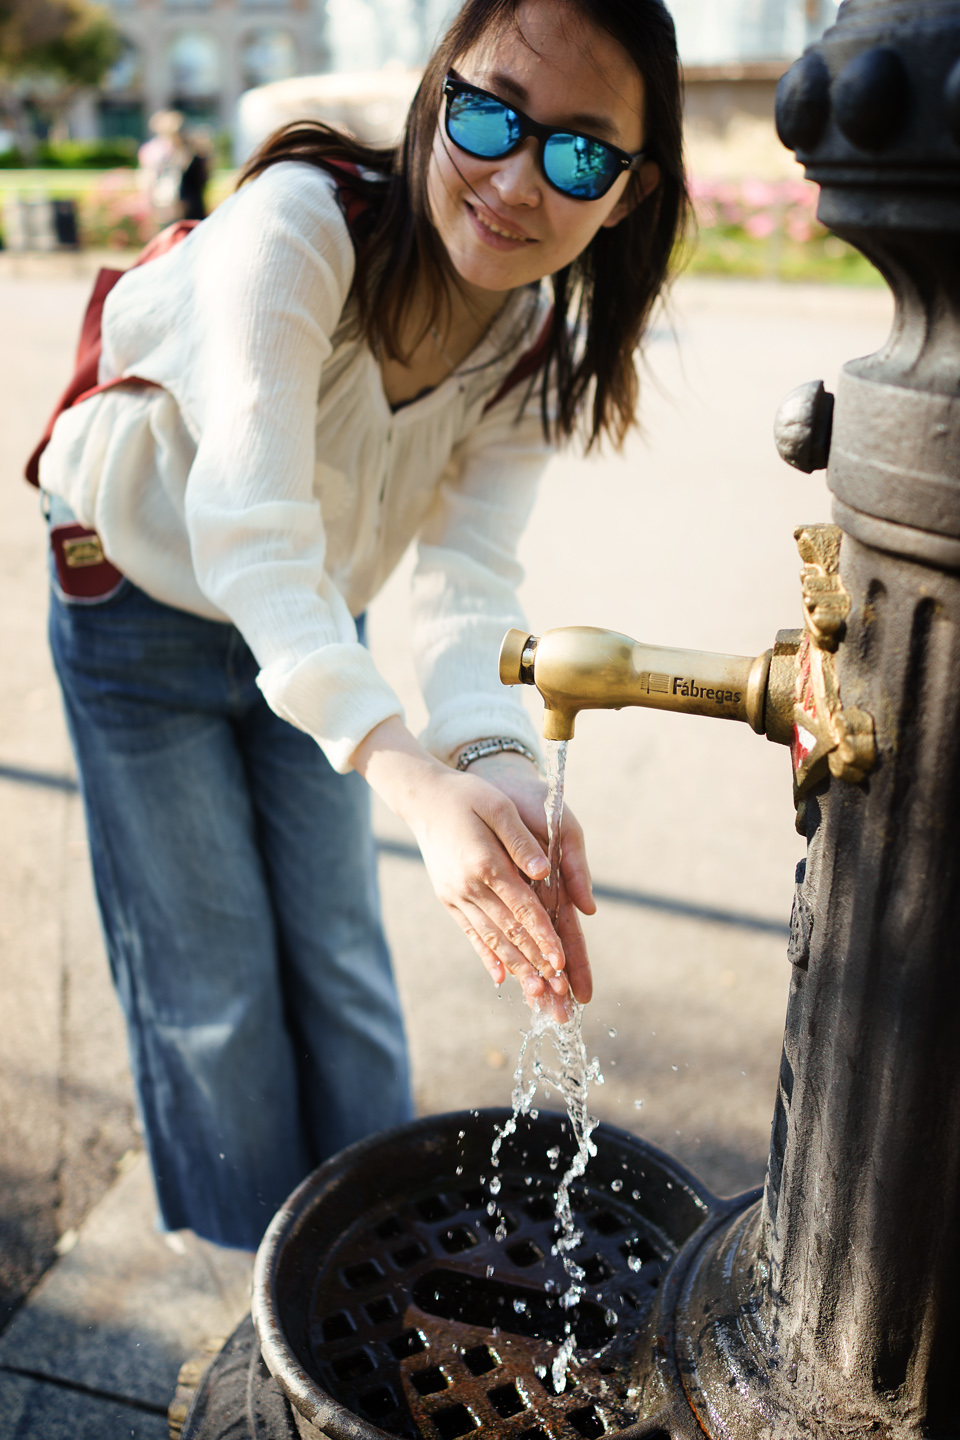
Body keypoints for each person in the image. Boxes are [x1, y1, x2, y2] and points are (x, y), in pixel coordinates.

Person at [37, 0, 687, 1251]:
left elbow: (465, 584)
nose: (509, 179)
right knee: (213, 985)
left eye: (576, 153)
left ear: (629, 191)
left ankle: (371, 1263)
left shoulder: (535, 343)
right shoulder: (294, 230)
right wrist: (408, 774)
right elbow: (249, 531)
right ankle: (247, 1299)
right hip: (141, 592)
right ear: (439, 86)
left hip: (313, 616)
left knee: (341, 959)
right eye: (489, 114)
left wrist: (492, 771)